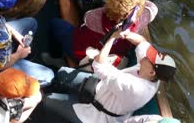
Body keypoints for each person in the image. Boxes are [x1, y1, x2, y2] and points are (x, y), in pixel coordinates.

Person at [42, 29, 177, 123]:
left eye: (150, 58)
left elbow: (99, 65)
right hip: (99, 88)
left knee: (46, 101)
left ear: (152, 72)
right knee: (61, 74)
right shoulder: (149, 72)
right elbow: (142, 42)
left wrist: (112, 37)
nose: (146, 55)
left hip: (96, 115)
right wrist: (126, 34)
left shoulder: (136, 88)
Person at [44, 0, 159, 65]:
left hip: (85, 54)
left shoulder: (95, 16)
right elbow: (152, 8)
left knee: (56, 23)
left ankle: (56, 57)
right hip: (115, 56)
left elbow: (87, 17)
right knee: (85, 3)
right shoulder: (144, 16)